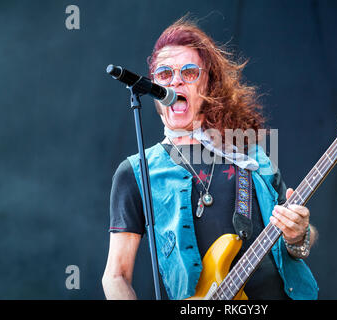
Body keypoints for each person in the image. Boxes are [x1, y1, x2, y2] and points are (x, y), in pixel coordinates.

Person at [102, 17, 319, 300]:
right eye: (164, 74)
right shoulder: (136, 172)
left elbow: (298, 237)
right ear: (153, 86)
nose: (175, 80)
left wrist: (299, 234)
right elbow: (116, 276)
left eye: (189, 72)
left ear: (209, 83)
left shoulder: (250, 155)